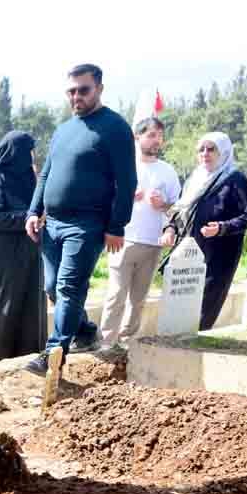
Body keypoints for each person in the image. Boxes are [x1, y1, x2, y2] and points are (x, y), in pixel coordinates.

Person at [24, 63, 136, 374]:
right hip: (53, 224)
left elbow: (127, 182)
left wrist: (116, 226)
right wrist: (34, 211)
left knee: (69, 287)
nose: (77, 97)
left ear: (99, 88)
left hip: (86, 225)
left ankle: (53, 355)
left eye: (83, 90)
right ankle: (84, 331)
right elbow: (46, 173)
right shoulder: (64, 129)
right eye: (71, 92)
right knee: (51, 287)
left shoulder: (114, 128)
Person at [98, 117, 181, 348]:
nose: (157, 141)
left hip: (152, 243)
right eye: (152, 135)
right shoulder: (123, 165)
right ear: (137, 137)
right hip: (122, 239)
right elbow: (102, 199)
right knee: (116, 295)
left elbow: (177, 209)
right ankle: (106, 342)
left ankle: (127, 343)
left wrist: (163, 204)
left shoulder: (168, 171)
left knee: (138, 299)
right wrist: (122, 198)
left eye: (160, 136)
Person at [161, 132, 247, 331]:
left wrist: (222, 228)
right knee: (181, 301)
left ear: (224, 152)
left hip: (220, 254)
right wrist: (170, 229)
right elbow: (180, 210)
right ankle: (175, 343)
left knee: (206, 304)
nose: (205, 153)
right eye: (201, 149)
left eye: (211, 149)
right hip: (189, 248)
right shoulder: (194, 179)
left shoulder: (236, 180)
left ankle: (197, 344)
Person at [0, 130, 46, 364]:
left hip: (26, 257)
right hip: (2, 262)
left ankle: (25, 356)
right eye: (28, 152)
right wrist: (27, 218)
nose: (32, 157)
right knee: (3, 310)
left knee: (27, 308)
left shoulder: (29, 181)